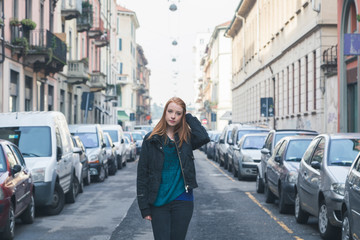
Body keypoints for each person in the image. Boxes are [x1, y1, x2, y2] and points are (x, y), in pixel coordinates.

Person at [137, 97, 210, 240]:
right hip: (159, 200)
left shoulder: (185, 139)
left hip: (183, 199)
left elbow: (203, 137)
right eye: (170, 111)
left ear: (182, 116)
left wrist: (188, 116)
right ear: (164, 112)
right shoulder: (151, 139)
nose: (173, 116)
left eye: (178, 113)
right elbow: (142, 174)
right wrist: (144, 207)